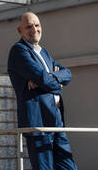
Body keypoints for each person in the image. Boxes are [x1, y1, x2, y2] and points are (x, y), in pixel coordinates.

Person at [7, 12, 77, 170]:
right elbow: (45, 80)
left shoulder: (44, 52)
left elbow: (68, 74)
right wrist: (52, 81)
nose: (34, 29)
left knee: (68, 166)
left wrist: (50, 77)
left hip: (56, 119)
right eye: (29, 26)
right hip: (38, 122)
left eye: (37, 25)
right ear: (20, 31)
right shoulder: (19, 51)